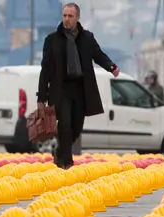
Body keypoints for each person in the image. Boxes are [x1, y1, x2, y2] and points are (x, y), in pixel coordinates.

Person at [37, 2, 119, 169]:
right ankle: (67, 162)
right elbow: (45, 69)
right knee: (65, 123)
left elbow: (98, 55)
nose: (67, 19)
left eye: (70, 16)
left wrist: (111, 67)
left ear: (77, 18)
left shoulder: (87, 38)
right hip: (61, 89)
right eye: (64, 16)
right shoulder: (52, 40)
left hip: (81, 88)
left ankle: (59, 152)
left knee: (76, 126)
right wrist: (42, 96)